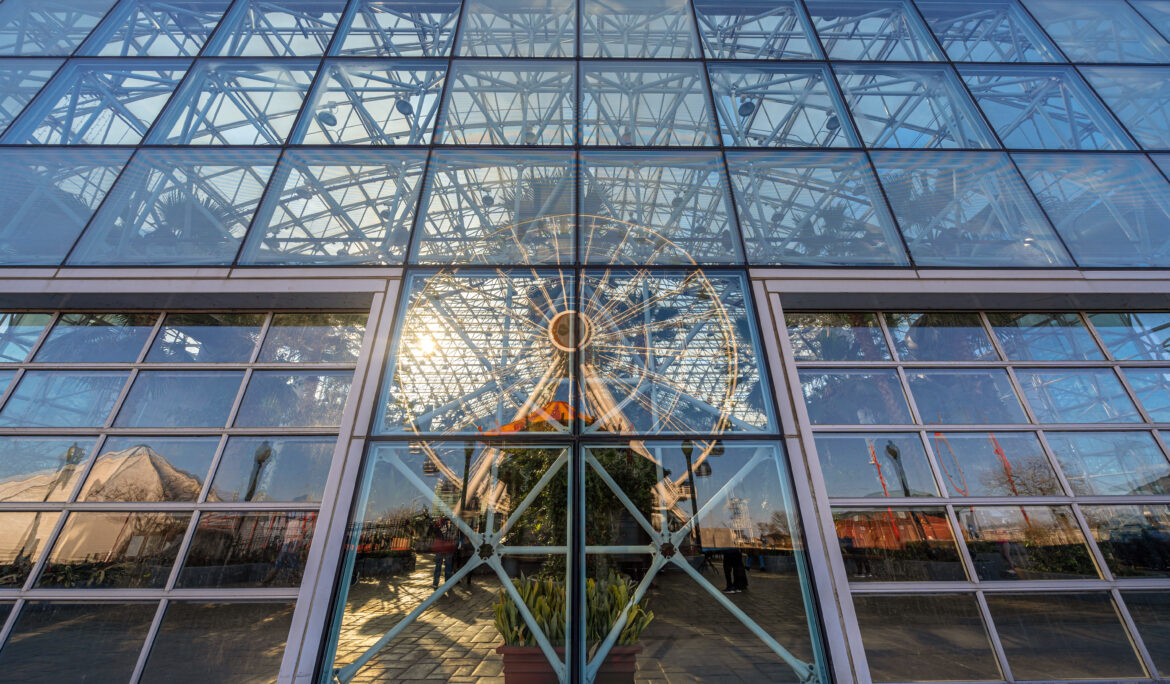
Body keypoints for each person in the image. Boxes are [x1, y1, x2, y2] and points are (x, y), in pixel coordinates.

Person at [432, 517, 457, 589]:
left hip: (440, 547)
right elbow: (454, 536)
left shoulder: (440, 522)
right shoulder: (454, 523)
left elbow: (435, 532)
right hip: (449, 548)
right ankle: (447, 584)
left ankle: (435, 583)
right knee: (448, 566)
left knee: (438, 565)